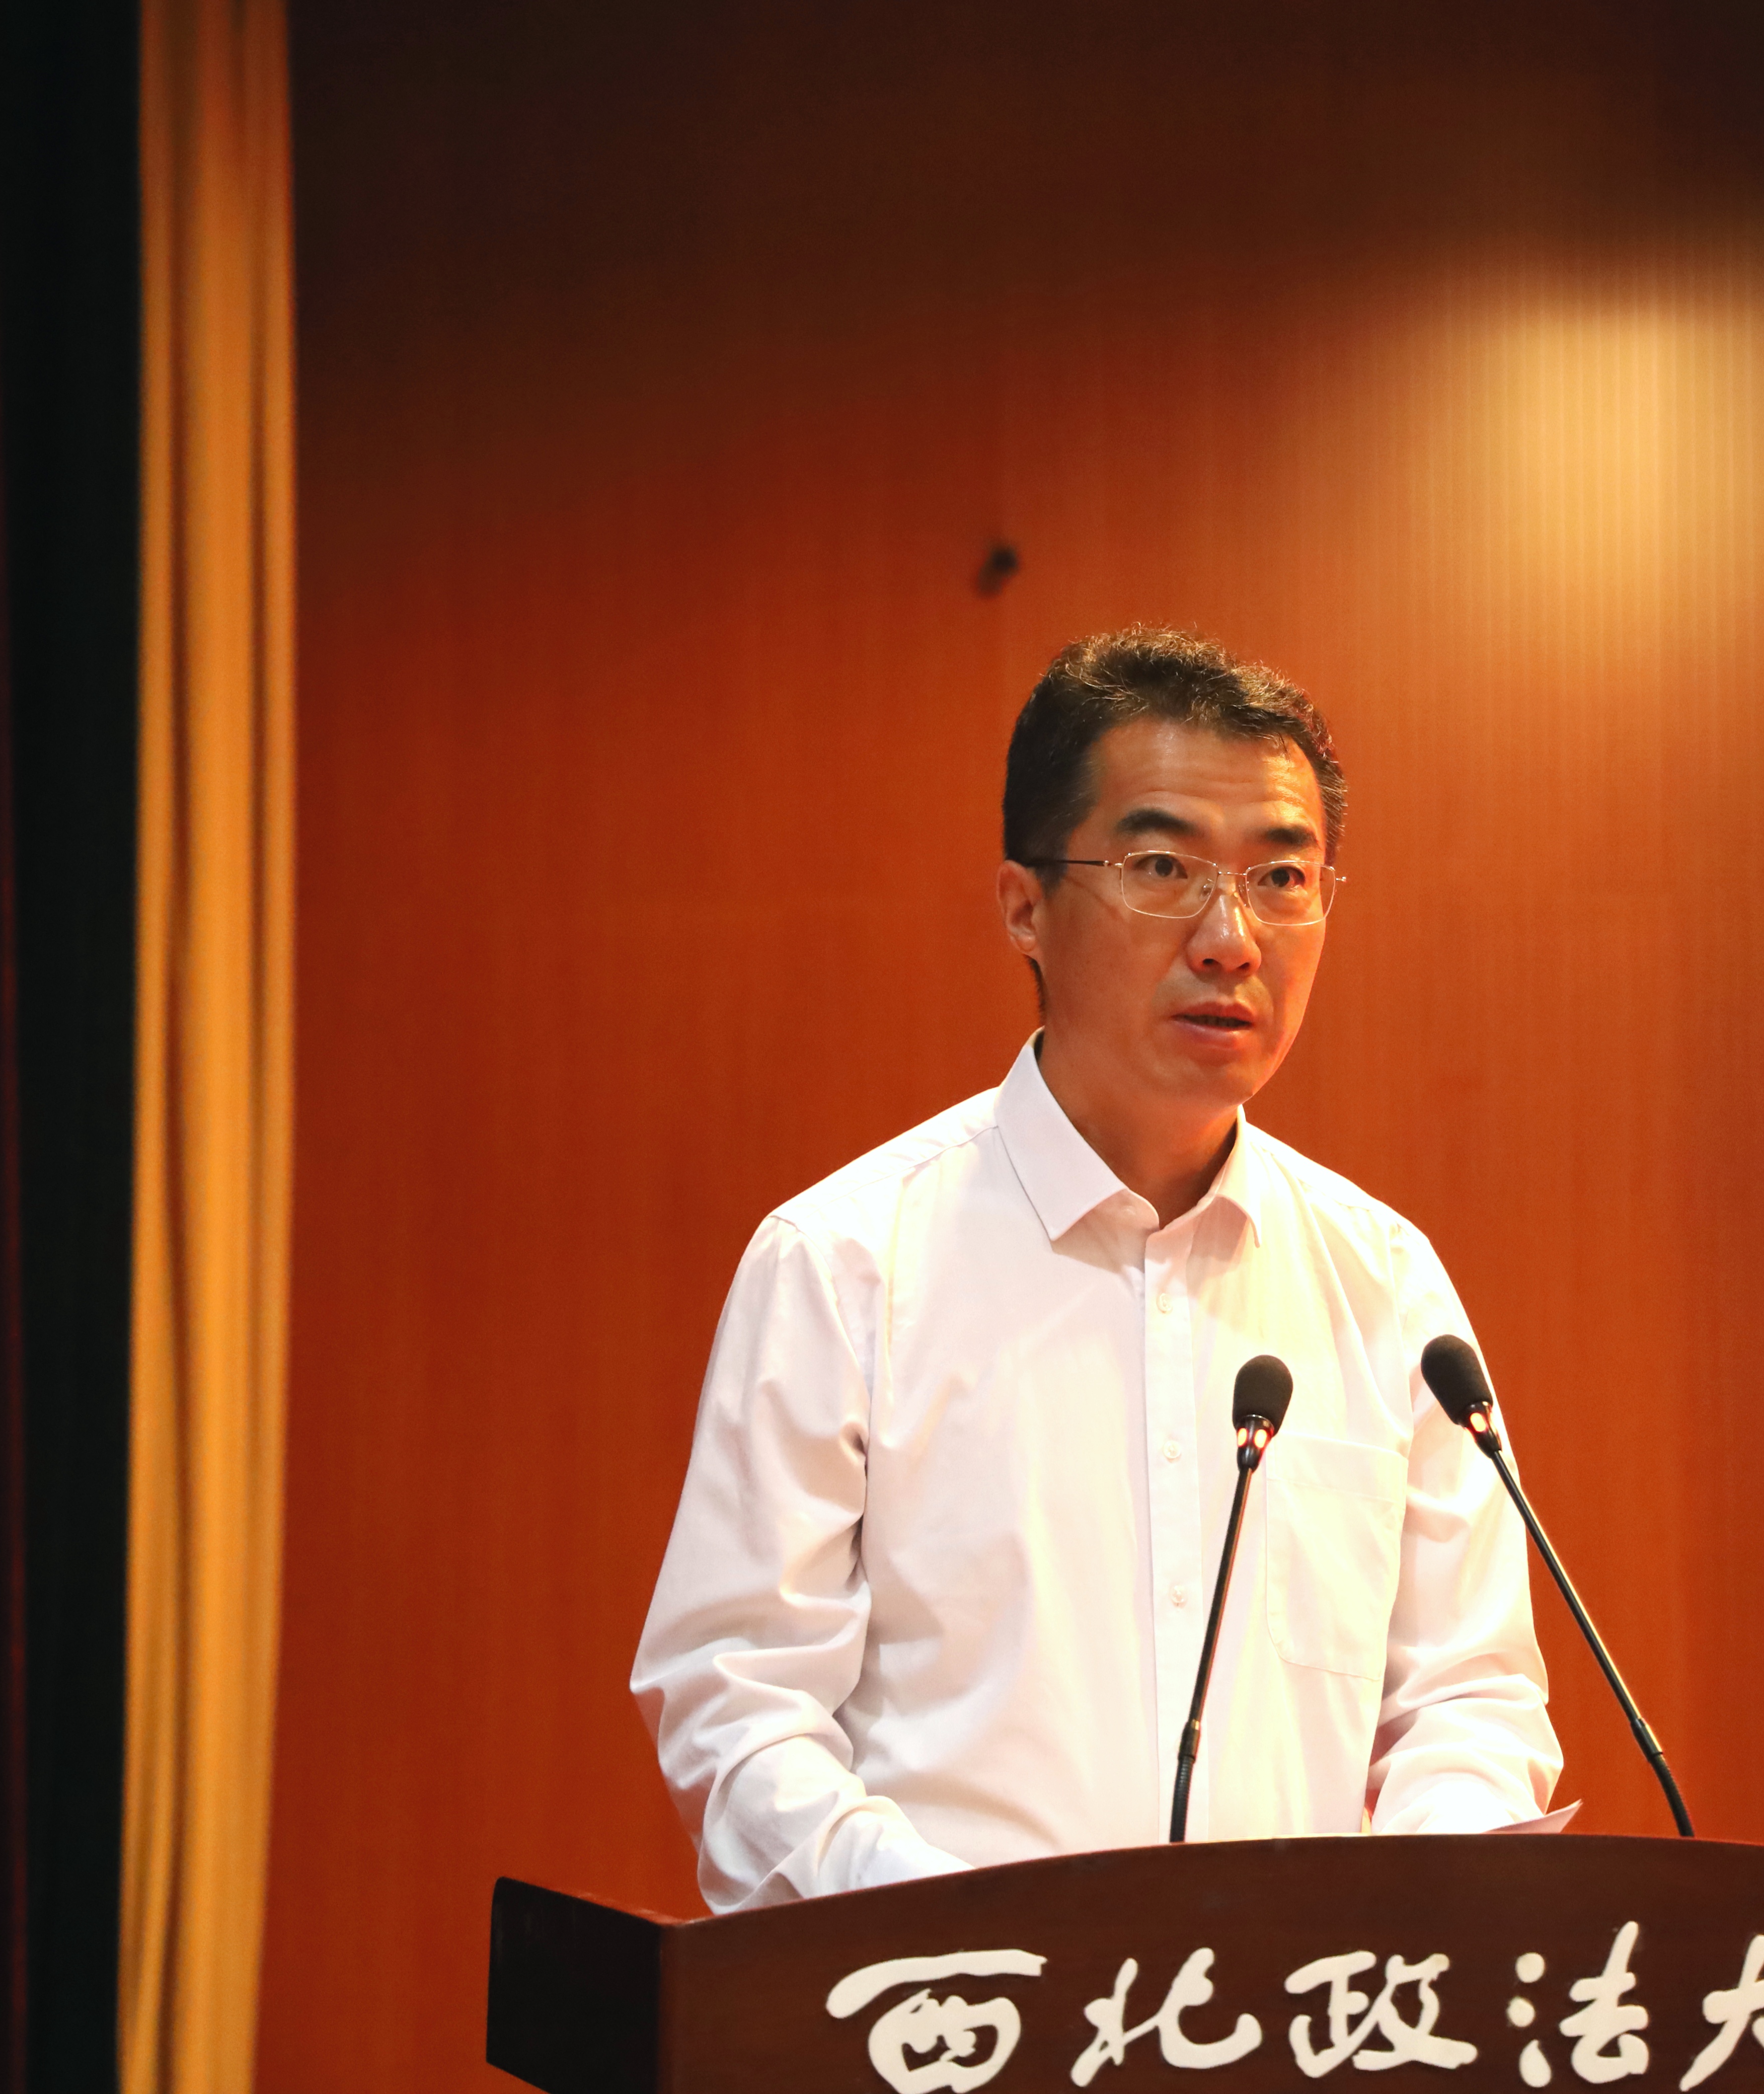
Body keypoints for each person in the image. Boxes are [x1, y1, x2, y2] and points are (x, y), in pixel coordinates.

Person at [631, 626, 1560, 1912]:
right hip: (952, 2002)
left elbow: (1467, 1695)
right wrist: (966, 1942)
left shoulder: (1388, 1287)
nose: (1231, 937)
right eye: (1163, 867)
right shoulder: (845, 1267)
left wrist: (1413, 1914)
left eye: (1282, 876)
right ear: (1025, 905)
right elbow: (741, 1707)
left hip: (1306, 2008)